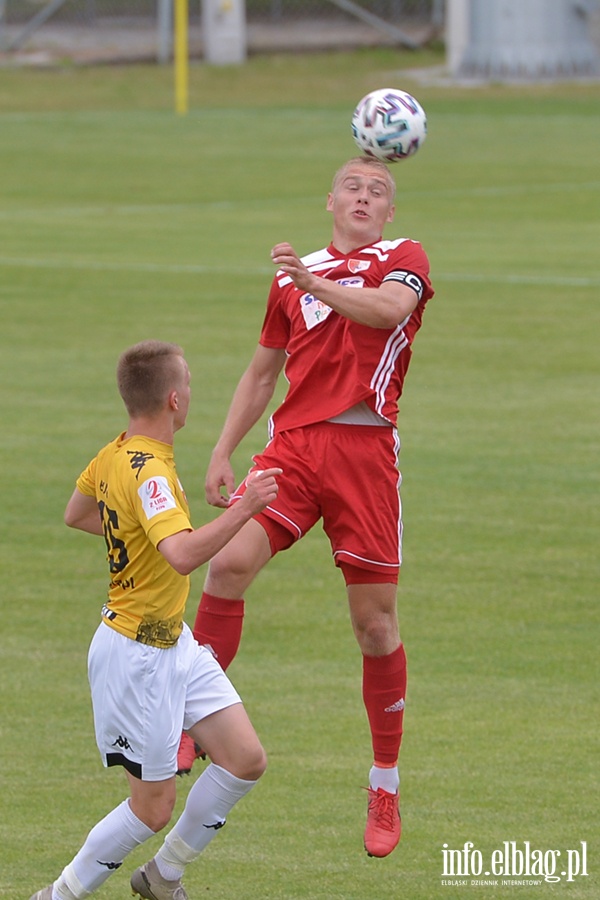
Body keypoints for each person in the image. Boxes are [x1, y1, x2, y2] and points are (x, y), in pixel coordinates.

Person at [179, 156, 435, 858]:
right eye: (353, 186)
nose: (364, 196)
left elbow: (386, 312)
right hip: (291, 450)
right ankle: (189, 721)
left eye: (377, 191)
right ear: (330, 200)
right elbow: (263, 371)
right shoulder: (293, 278)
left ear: (388, 212)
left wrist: (315, 280)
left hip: (364, 453)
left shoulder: (401, 259)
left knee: (374, 626)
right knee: (225, 563)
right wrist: (223, 449)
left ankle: (385, 782)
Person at [29, 340, 281, 900]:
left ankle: (163, 876)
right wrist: (247, 506)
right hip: (136, 654)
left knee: (244, 759)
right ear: (173, 398)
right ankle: (60, 895)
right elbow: (186, 555)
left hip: (174, 643)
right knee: (152, 808)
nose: (191, 392)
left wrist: (141, 536)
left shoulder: (115, 453)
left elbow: (77, 513)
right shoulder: (153, 477)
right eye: (188, 383)